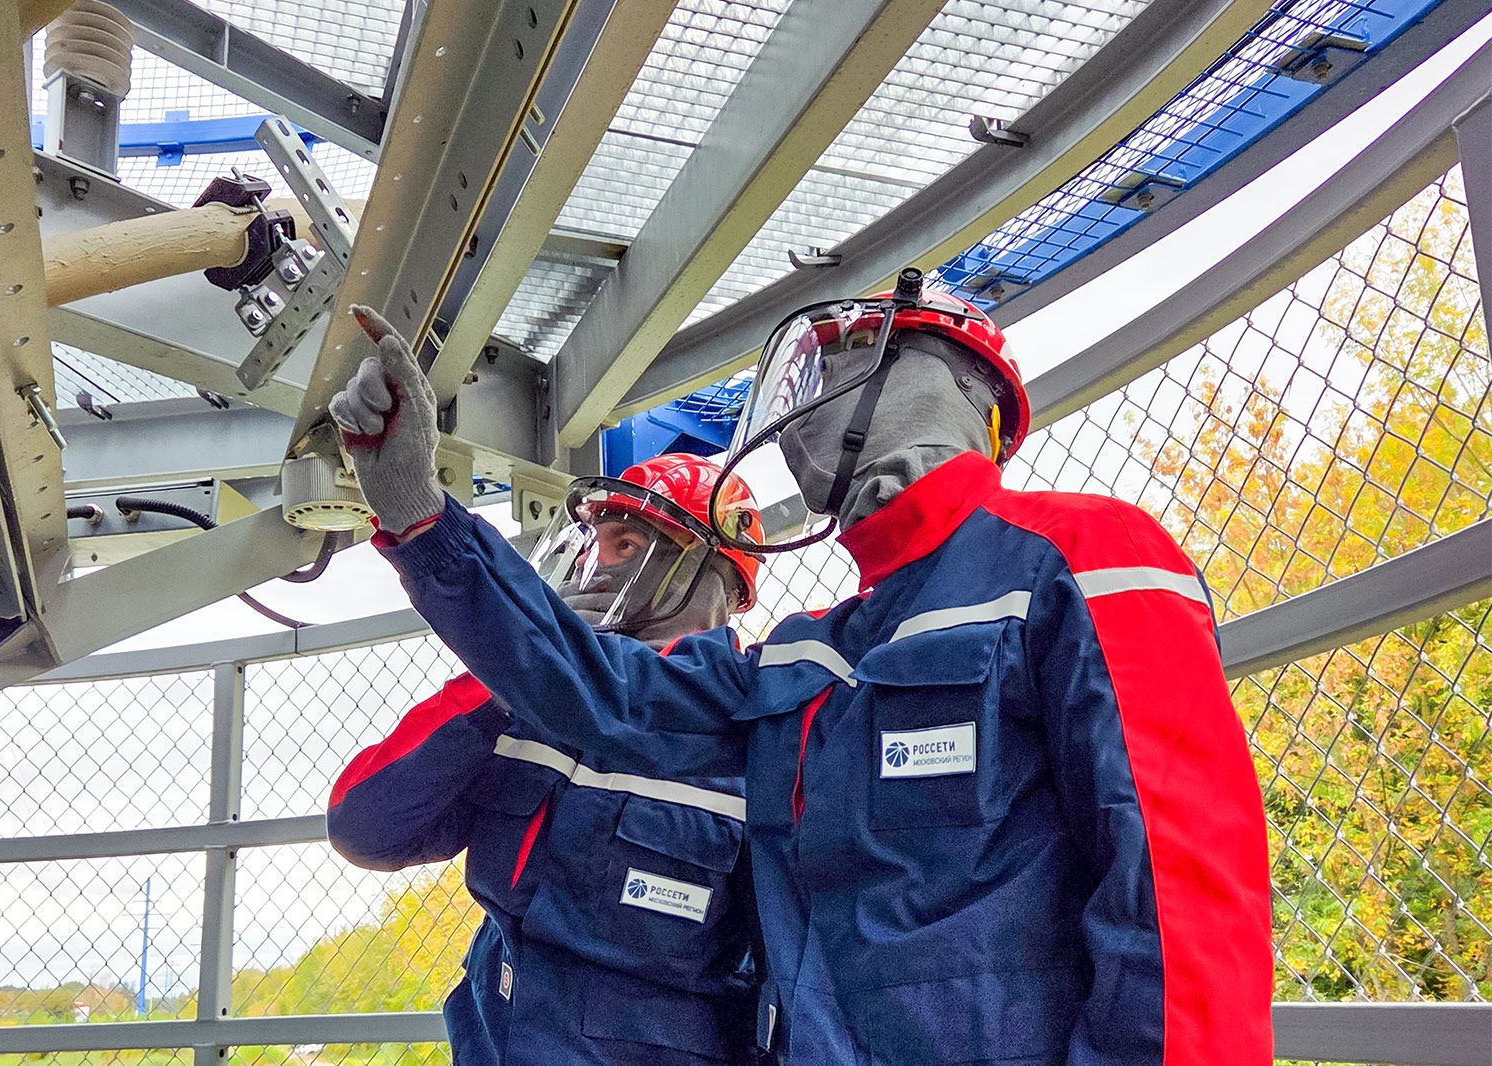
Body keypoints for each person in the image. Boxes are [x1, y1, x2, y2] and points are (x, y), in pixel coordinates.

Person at [330, 272, 1273, 1065]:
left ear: (935, 374)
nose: (795, 419)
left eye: (830, 368)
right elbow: (608, 693)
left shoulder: (1080, 556)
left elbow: (1182, 900)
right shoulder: (809, 653)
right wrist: (421, 517)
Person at [326, 451, 771, 1066]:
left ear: (708, 570)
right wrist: (506, 678)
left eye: (624, 545)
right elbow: (365, 828)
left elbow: (797, 971)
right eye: (590, 543)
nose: (594, 566)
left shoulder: (755, 732)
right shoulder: (514, 706)